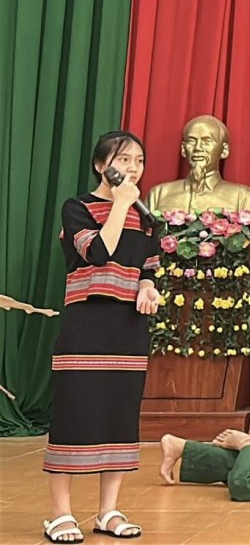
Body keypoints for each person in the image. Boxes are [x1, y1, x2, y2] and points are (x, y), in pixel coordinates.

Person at [43, 131, 163, 543]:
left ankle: (108, 511)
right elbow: (97, 252)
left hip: (128, 327)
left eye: (139, 160)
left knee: (118, 414)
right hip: (86, 324)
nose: (133, 168)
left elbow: (149, 266)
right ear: (101, 166)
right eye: (123, 160)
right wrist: (121, 204)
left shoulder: (147, 219)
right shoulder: (76, 208)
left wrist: (148, 287)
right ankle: (60, 514)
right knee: (73, 414)